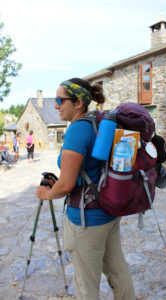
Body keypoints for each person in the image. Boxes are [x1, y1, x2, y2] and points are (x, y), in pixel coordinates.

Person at [36, 78, 135, 300]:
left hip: (86, 220)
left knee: (85, 284)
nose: (55, 105)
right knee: (118, 272)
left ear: (78, 102)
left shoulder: (78, 130)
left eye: (60, 100)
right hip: (109, 211)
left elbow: (67, 184)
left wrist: (47, 193)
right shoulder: (99, 122)